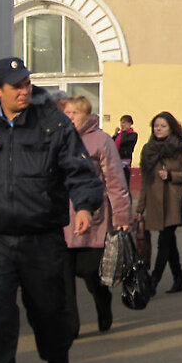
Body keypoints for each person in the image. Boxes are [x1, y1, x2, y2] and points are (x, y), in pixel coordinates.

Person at [0, 57, 103, 363]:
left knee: (48, 312)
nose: (24, 91)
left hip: (41, 238)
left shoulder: (52, 124)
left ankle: (56, 359)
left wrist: (85, 207)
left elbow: (81, 171)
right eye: (16, 86)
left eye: (27, 84)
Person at [61, 96, 132, 335]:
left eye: (75, 113)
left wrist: (121, 217)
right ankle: (71, 326)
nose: (69, 117)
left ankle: (103, 304)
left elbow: (115, 181)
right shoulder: (58, 138)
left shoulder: (101, 140)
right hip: (61, 219)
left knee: (91, 272)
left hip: (93, 218)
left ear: (87, 115)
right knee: (64, 276)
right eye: (67, 112)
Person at [136, 111, 182, 295]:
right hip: (154, 202)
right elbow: (144, 180)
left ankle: (153, 282)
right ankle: (179, 279)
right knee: (169, 242)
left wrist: (171, 176)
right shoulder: (148, 149)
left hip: (173, 202)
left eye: (163, 126)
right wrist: (140, 208)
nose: (158, 129)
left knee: (164, 241)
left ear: (171, 128)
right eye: (156, 126)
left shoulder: (180, 148)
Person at [112, 115, 138, 186]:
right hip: (116, 161)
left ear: (129, 123)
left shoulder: (133, 135)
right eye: (121, 123)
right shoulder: (119, 135)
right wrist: (115, 135)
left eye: (124, 122)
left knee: (124, 184)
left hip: (125, 161)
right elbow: (111, 143)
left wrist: (123, 132)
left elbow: (124, 142)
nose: (122, 125)